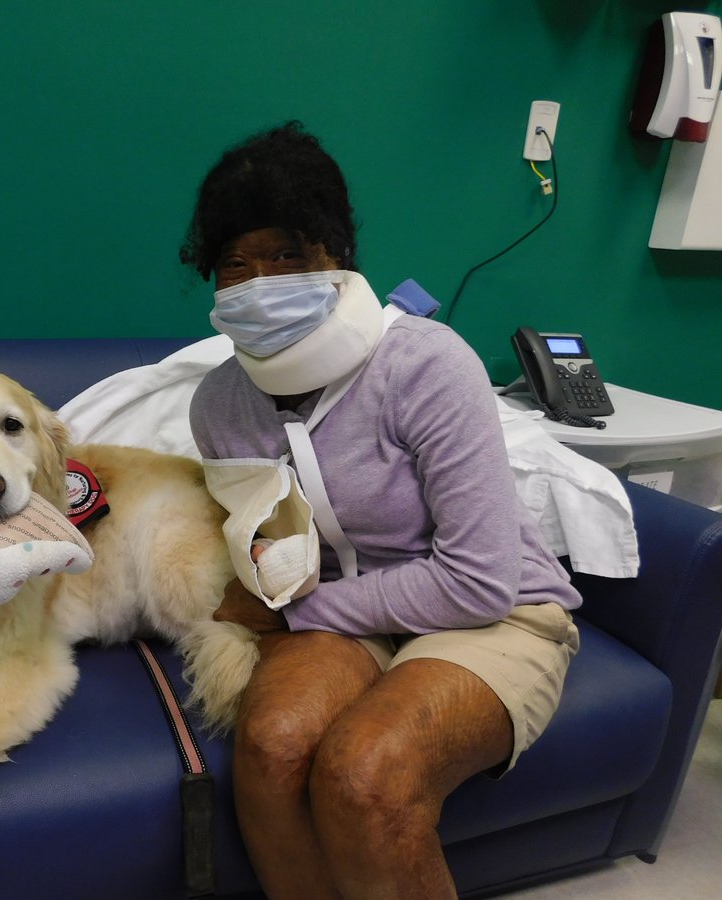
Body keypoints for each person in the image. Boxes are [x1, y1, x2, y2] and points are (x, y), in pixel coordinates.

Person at [181, 121, 582, 900]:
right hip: (347, 613)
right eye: (235, 262)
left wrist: (296, 615)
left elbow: (479, 583)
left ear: (336, 255)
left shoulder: (425, 364)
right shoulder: (221, 405)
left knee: (363, 772)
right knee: (270, 747)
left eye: (287, 254)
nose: (259, 279)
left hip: (497, 612)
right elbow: (272, 543)